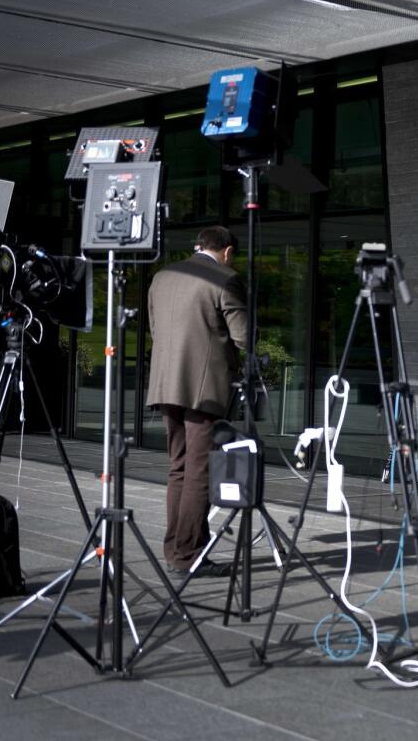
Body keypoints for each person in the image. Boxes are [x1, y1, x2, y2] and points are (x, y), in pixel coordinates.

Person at [146, 226, 248, 576]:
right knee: (199, 471)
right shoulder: (226, 278)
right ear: (227, 251)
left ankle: (178, 547)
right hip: (203, 390)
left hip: (166, 385)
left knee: (178, 466)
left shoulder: (163, 276)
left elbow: (156, 329)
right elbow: (243, 337)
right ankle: (187, 554)